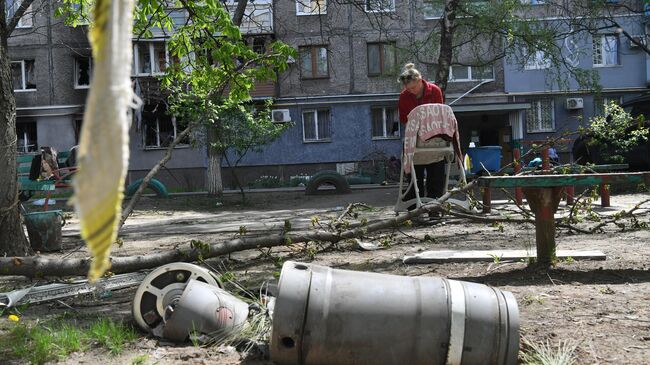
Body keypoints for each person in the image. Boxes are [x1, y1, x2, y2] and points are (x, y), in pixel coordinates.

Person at [397, 63, 446, 213]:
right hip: (414, 138)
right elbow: (404, 119)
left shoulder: (435, 91)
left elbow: (439, 114)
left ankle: (435, 208)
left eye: (413, 88)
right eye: (408, 89)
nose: (411, 91)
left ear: (420, 81)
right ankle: (413, 210)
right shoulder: (404, 96)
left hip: (434, 136)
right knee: (413, 176)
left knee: (436, 174)